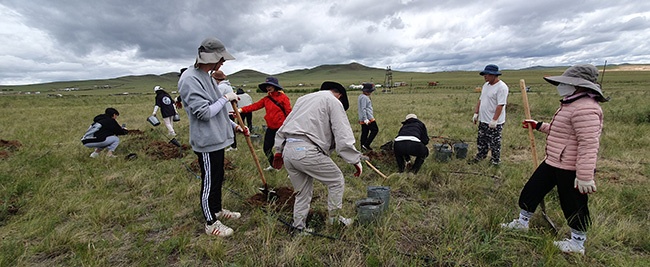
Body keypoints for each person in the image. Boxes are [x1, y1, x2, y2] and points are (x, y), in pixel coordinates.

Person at [500, 64, 608, 255]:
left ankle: (577, 244)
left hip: (570, 167)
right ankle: (522, 222)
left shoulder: (586, 109)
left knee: (573, 203)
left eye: (567, 82)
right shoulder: (572, 103)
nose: (562, 86)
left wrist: (584, 176)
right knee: (532, 189)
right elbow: (563, 132)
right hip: (554, 160)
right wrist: (539, 125)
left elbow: (588, 144)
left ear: (579, 85)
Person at [272, 81, 367, 233]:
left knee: (302, 193)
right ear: (339, 96)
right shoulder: (333, 101)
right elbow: (342, 132)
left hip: (288, 150)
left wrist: (278, 150)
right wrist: (354, 159)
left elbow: (286, 124)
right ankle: (335, 221)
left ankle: (298, 228)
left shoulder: (303, 99)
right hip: (306, 151)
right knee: (336, 180)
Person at [178, 37, 249, 238]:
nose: (224, 62)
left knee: (218, 177)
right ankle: (210, 222)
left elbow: (216, 109)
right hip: (206, 141)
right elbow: (205, 113)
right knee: (209, 181)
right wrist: (225, 98)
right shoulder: (190, 79)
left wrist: (234, 126)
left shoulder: (206, 76)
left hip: (217, 138)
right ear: (213, 57)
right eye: (222, 58)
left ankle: (217, 210)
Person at [239, 76, 292, 171]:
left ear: (275, 86)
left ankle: (290, 170)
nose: (268, 87)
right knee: (266, 148)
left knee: (285, 150)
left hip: (282, 128)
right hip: (271, 128)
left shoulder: (283, 98)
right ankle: (274, 166)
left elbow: (289, 112)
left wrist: (289, 126)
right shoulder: (266, 99)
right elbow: (255, 106)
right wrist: (241, 110)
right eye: (267, 86)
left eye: (270, 85)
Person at [470, 64, 509, 165]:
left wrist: (495, 120)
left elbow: (500, 105)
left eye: (487, 74)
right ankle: (481, 156)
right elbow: (480, 100)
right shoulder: (485, 86)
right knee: (481, 140)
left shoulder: (502, 87)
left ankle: (495, 161)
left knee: (494, 142)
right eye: (484, 74)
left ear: (494, 75)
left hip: (494, 122)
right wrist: (476, 113)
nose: (485, 76)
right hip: (483, 119)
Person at [213, 70, 237, 151]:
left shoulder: (221, 87)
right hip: (230, 110)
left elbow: (216, 98)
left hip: (226, 111)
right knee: (230, 129)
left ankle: (232, 146)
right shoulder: (228, 86)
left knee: (227, 129)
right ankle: (233, 145)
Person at [358, 82, 378, 151]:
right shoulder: (364, 98)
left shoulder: (361, 96)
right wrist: (365, 119)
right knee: (375, 130)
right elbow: (363, 108)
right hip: (368, 118)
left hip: (363, 118)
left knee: (365, 132)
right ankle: (366, 145)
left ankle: (363, 147)